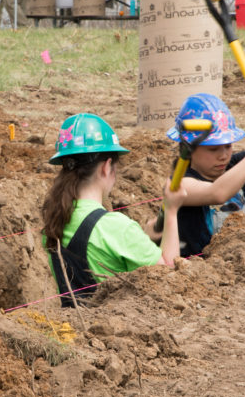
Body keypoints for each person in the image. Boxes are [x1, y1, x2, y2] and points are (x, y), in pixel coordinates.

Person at [41, 113, 186, 306]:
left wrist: (141, 240)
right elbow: (168, 279)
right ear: (107, 167)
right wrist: (172, 211)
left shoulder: (55, 221)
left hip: (71, 330)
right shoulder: (116, 228)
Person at [151, 93, 245, 258]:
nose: (223, 155)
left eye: (228, 146)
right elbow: (218, 193)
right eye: (213, 149)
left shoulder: (235, 166)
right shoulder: (180, 184)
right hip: (204, 270)